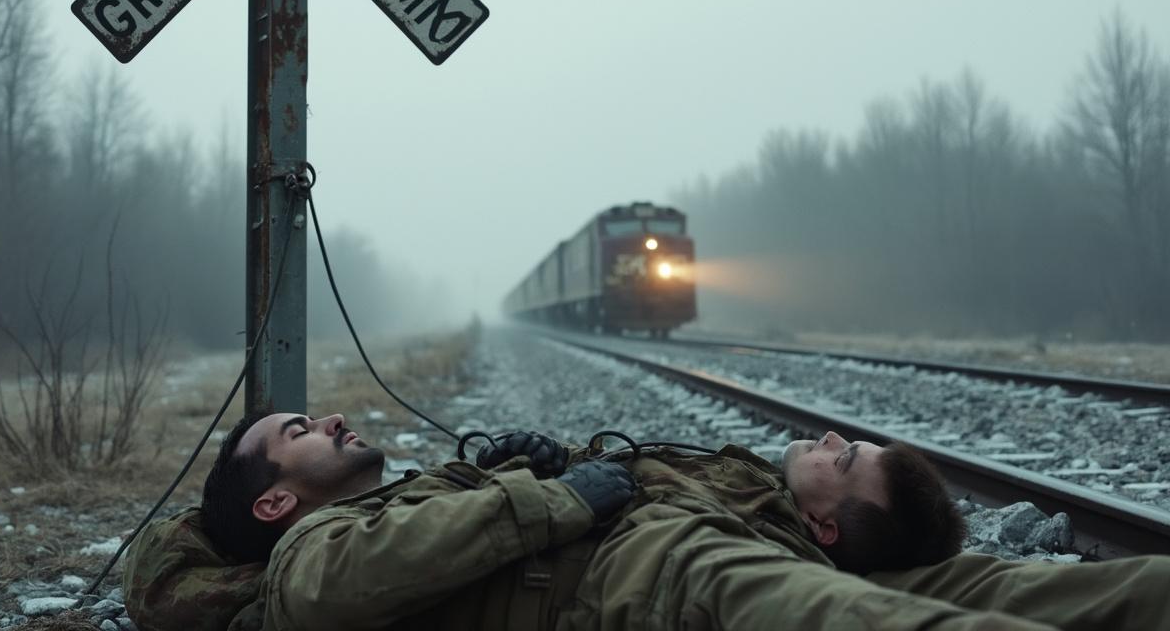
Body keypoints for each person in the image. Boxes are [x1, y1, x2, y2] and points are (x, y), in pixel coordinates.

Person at [123, 411, 1170, 630]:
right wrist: (555, 495)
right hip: (640, 566)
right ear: (274, 499)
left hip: (678, 534)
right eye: (301, 428)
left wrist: (500, 470)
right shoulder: (306, 547)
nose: (334, 416)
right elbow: (331, 592)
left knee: (1006, 582)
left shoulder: (403, 493)